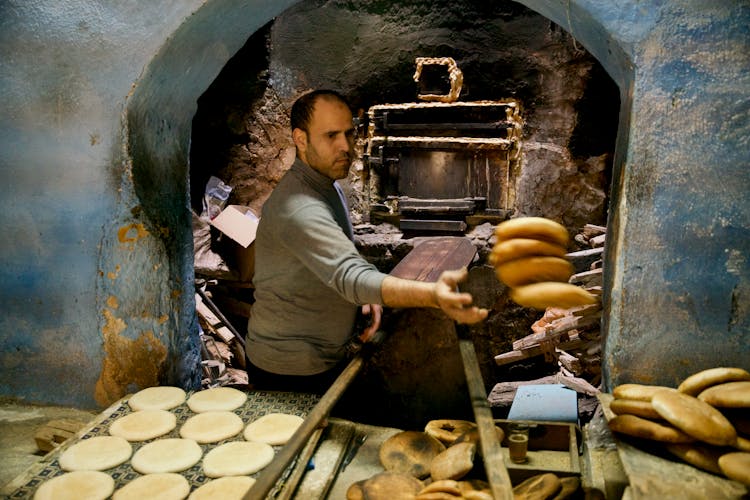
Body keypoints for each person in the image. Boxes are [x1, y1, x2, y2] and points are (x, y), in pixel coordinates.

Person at [245, 89, 487, 393]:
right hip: (288, 370)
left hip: (319, 358)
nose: (345, 146)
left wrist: (366, 297)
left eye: (349, 133)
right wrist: (433, 295)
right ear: (301, 139)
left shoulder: (325, 185)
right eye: (331, 135)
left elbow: (337, 258)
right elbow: (350, 276)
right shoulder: (299, 207)